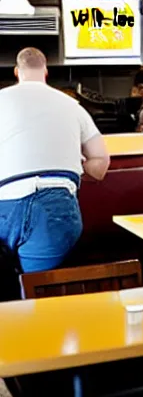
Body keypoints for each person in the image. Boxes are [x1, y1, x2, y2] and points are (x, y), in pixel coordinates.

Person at [0, 48, 110, 273]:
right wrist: (74, 164)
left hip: (5, 199)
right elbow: (100, 164)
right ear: (46, 72)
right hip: (54, 208)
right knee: (40, 295)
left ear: (16, 72)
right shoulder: (72, 106)